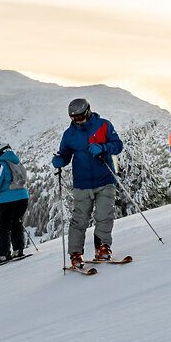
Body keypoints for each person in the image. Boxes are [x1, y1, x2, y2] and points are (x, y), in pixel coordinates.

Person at [51, 96, 124, 266]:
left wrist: (103, 148)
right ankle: (75, 254)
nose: (77, 120)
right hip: (82, 184)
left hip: (105, 179)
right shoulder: (69, 134)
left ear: (88, 112)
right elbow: (65, 155)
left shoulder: (103, 125)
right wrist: (60, 160)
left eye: (80, 116)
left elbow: (118, 145)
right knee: (79, 220)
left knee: (104, 216)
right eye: (73, 118)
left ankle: (103, 247)